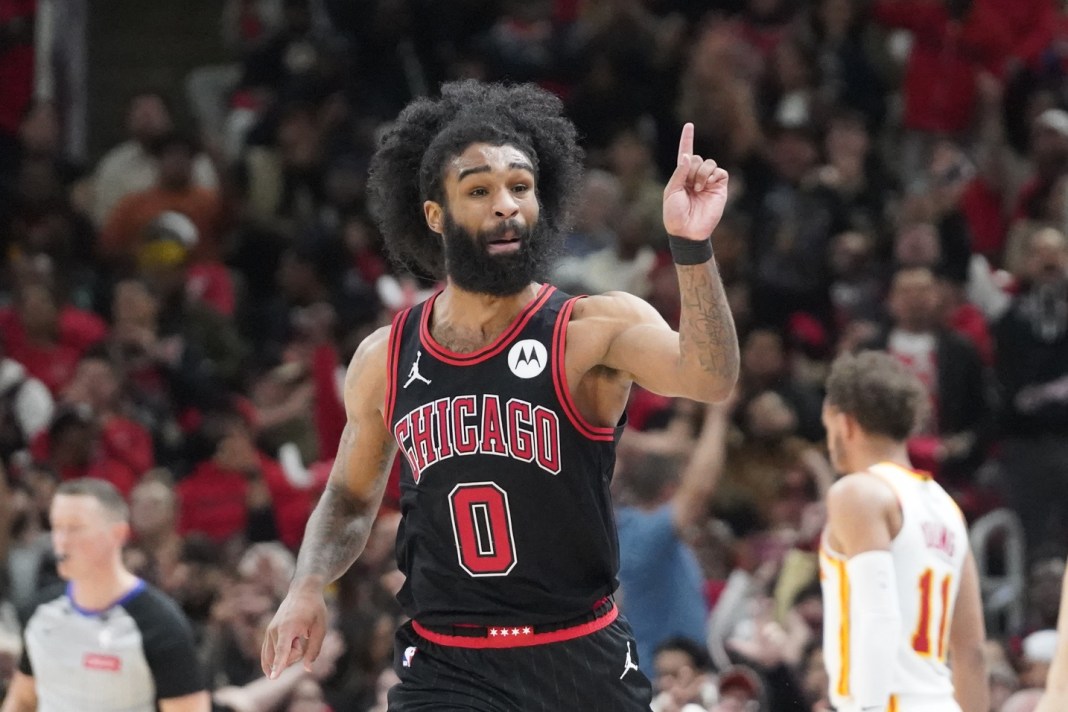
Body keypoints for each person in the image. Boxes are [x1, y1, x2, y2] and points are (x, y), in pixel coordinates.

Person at [261, 79, 739, 711]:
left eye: (520, 186)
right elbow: (350, 498)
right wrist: (306, 584)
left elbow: (709, 376)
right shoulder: (386, 357)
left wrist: (691, 246)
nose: (506, 205)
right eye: (479, 190)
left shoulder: (590, 328)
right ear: (436, 215)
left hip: (576, 652)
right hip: (447, 665)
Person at [819, 350, 987, 712]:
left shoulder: (858, 492)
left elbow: (878, 617)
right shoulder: (946, 508)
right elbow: (972, 652)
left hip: (885, 703)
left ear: (844, 422)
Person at [0, 478, 210, 712]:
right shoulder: (40, 612)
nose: (62, 541)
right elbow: (22, 701)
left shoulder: (159, 624)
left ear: (117, 534)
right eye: (57, 527)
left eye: (75, 528)